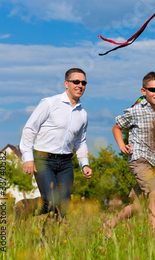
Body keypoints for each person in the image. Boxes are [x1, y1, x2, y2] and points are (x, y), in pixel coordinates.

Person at [104, 72, 155, 232]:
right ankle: (153, 236)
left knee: (137, 205)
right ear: (144, 91)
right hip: (139, 159)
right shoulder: (136, 111)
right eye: (152, 90)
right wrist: (121, 145)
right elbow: (117, 127)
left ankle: (109, 225)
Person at [20, 68, 93, 221]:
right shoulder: (49, 103)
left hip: (66, 162)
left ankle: (49, 241)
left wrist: (84, 164)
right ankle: (23, 208)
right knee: (51, 202)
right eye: (76, 82)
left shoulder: (83, 114)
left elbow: (80, 142)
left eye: (83, 83)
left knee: (63, 207)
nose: (80, 85)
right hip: (43, 159)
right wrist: (27, 157)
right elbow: (29, 129)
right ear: (66, 83)